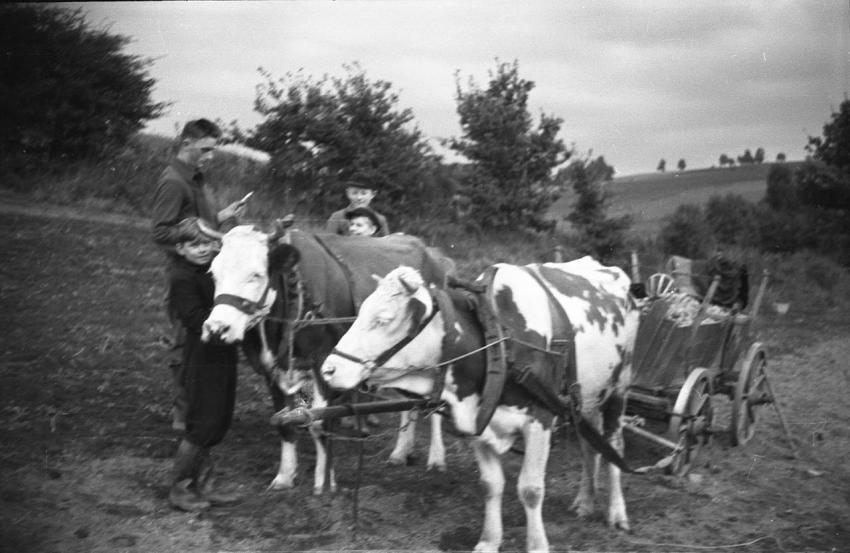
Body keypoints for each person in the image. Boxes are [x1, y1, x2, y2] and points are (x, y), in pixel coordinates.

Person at [150, 118, 245, 431]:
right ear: (186, 142)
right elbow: (161, 231)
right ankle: (183, 414)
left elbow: (198, 223)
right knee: (185, 342)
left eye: (214, 149)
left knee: (204, 339)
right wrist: (196, 240)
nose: (210, 155)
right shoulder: (173, 181)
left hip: (206, 268)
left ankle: (199, 405)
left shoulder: (195, 178)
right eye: (206, 148)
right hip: (185, 272)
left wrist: (221, 217)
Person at [167, 217, 240, 512]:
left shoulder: (214, 270)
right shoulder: (182, 277)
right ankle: (180, 488)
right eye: (194, 244)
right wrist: (227, 319)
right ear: (180, 248)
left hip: (224, 355)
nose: (202, 249)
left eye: (207, 243)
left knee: (219, 420)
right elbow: (195, 319)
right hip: (200, 356)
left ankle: (205, 485)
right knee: (200, 424)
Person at [325, 177, 390, 236]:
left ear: (373, 194)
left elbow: (386, 245)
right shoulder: (337, 217)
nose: (359, 197)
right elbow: (328, 242)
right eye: (354, 193)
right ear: (347, 193)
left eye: (364, 193)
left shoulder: (380, 219)